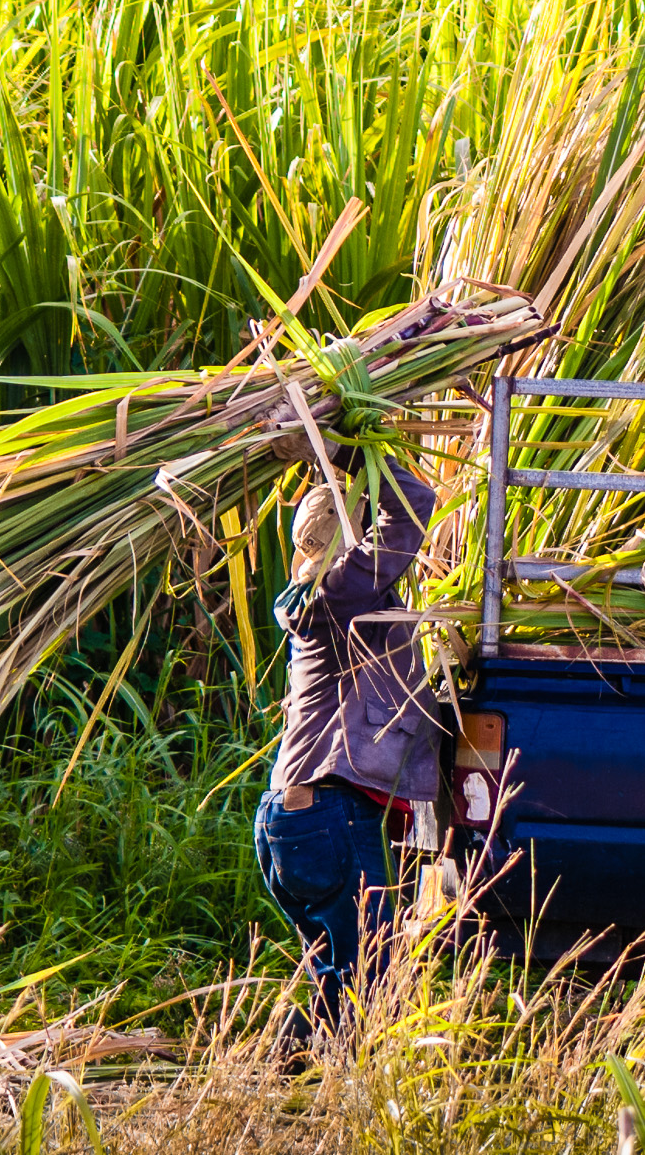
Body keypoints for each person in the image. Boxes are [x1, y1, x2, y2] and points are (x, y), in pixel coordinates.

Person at [250, 448, 439, 1047]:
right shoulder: (340, 593)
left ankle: (285, 1079)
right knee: (369, 981)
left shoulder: (325, 599)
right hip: (328, 817)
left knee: (345, 977)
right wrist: (359, 452)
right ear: (353, 543)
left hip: (299, 818)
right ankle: (313, 1086)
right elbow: (415, 509)